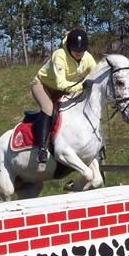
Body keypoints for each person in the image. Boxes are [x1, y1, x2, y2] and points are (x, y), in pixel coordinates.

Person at [31, 28, 97, 166]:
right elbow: (60, 83)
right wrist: (81, 86)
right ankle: (42, 149)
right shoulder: (59, 55)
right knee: (48, 108)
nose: (79, 54)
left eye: (82, 51)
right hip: (43, 86)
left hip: (65, 89)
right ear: (68, 47)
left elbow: (95, 75)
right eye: (76, 51)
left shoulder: (88, 57)